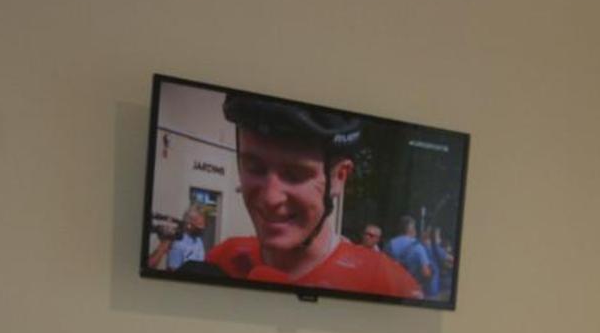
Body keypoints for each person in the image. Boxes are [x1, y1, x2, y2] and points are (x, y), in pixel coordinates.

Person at [202, 96, 419, 298]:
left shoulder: (387, 284)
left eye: (295, 175)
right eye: (254, 168)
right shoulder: (222, 259)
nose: (270, 198)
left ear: (339, 177)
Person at [146, 203, 208, 271]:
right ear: (189, 224)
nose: (203, 227)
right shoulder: (178, 241)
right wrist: (163, 245)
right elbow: (173, 270)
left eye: (203, 225)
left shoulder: (199, 241)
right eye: (199, 224)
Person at [385, 215, 436, 292]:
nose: (416, 230)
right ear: (411, 230)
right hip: (411, 289)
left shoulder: (390, 244)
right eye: (414, 228)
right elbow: (426, 272)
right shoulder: (419, 247)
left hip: (393, 287)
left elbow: (384, 267)